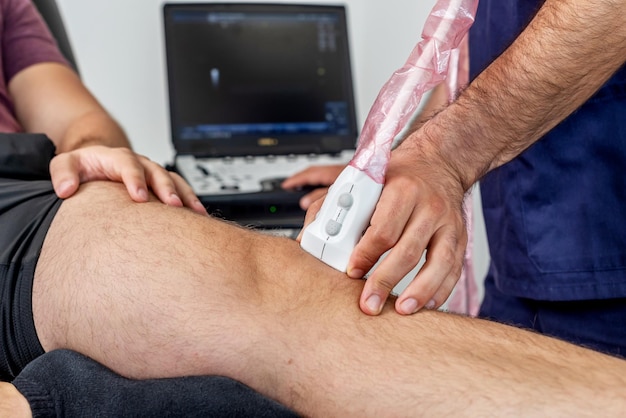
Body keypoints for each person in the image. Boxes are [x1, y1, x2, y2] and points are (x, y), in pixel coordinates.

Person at [3, 0, 626, 416]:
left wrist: (93, 152)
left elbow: (78, 122)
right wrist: (411, 155)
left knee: (281, 299)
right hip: (537, 247)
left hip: (592, 216)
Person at [283, 0, 626, 356]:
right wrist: (393, 165)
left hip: (604, 263)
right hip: (518, 264)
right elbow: (465, 71)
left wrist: (443, 157)